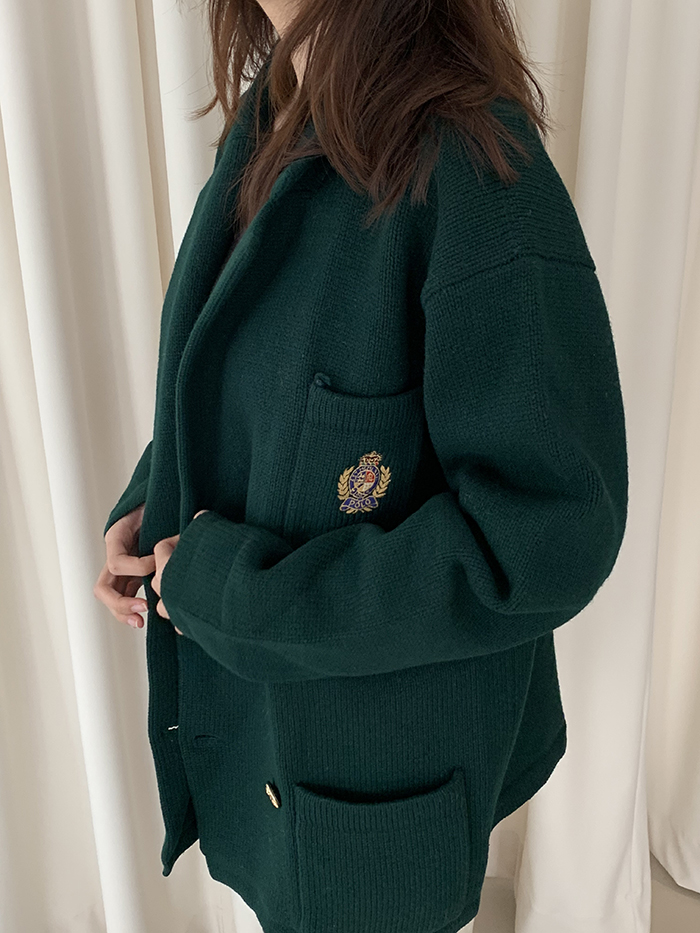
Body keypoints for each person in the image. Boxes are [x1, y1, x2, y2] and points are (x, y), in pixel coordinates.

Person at [94, 1, 628, 931]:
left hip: (381, 785)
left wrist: (230, 591)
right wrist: (157, 492)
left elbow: (545, 532)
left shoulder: (475, 170)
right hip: (270, 744)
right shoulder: (277, 110)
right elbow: (260, 383)